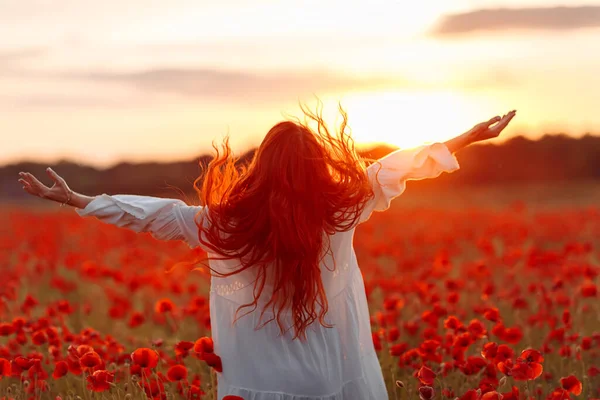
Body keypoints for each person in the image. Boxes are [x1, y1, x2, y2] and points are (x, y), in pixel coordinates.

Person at [18, 107, 516, 400]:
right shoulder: (340, 212)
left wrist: (79, 199)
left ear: (261, 169)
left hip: (260, 381)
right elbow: (394, 169)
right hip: (335, 376)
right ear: (317, 168)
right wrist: (466, 138)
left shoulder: (223, 225)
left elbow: (153, 213)